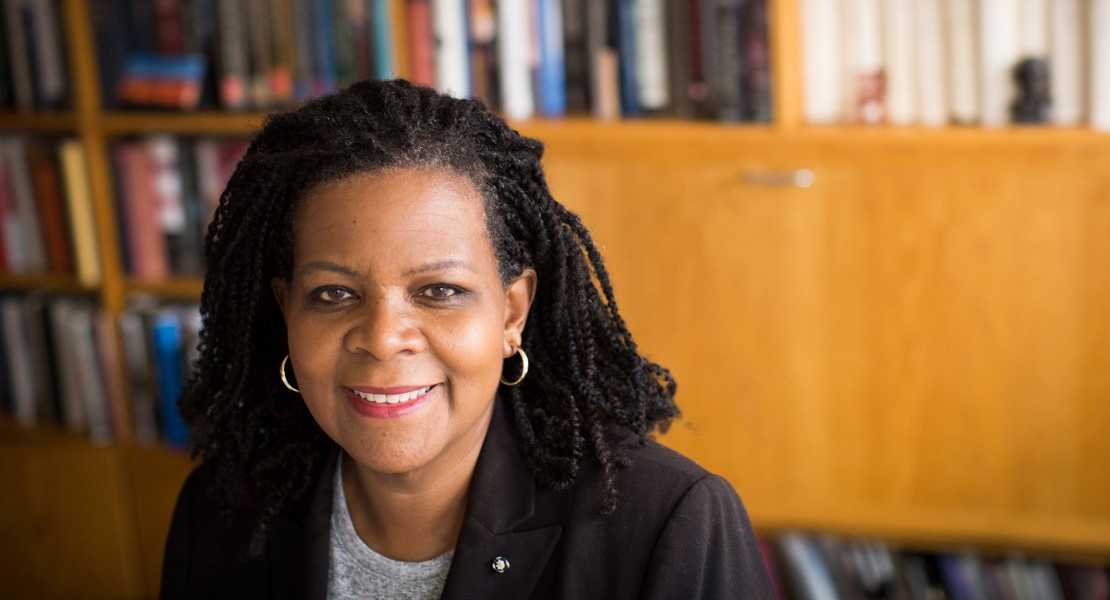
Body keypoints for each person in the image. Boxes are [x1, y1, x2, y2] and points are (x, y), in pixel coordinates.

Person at [161, 79, 775, 598]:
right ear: (286, 311)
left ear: (512, 313)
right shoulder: (223, 513)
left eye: (439, 291)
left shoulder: (669, 524)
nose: (382, 338)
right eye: (334, 294)